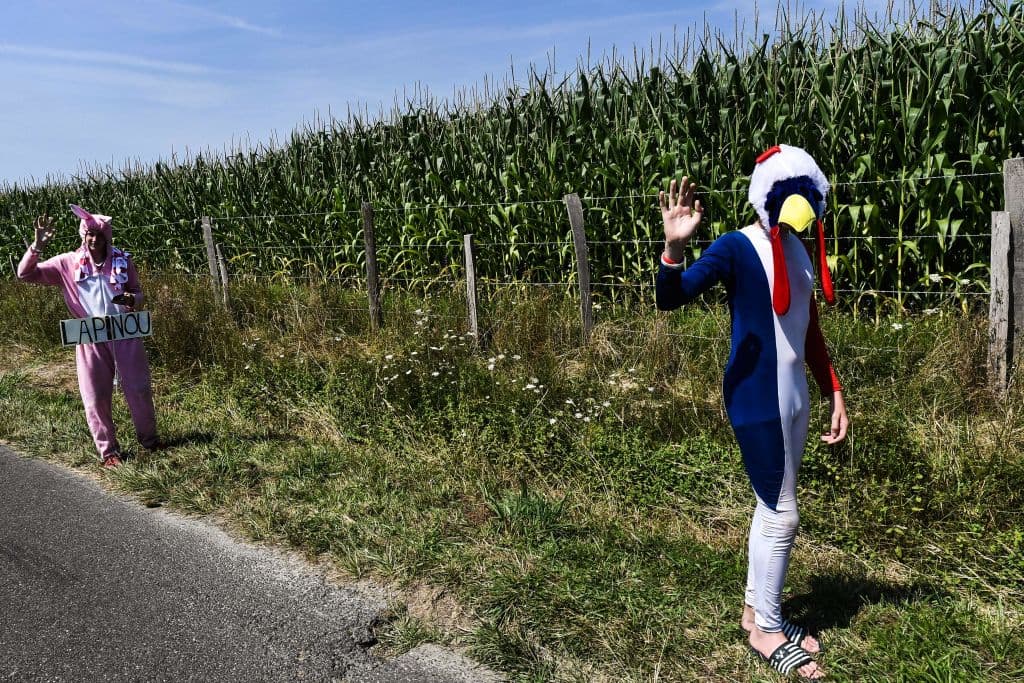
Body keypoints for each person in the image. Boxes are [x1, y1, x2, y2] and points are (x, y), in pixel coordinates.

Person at [655, 145, 849, 680]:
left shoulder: (797, 248)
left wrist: (833, 390)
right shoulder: (736, 246)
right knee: (783, 514)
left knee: (772, 507)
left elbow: (809, 329)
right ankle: (766, 630)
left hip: (795, 398)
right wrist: (674, 248)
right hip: (757, 398)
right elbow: (671, 297)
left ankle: (755, 611)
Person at [18, 204, 159, 468]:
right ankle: (109, 452)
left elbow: (137, 292)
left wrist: (133, 299)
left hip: (125, 333)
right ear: (83, 235)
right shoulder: (67, 263)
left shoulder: (123, 260)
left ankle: (150, 441)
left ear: (107, 236)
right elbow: (25, 274)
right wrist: (36, 247)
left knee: (139, 389)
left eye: (99, 234)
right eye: (90, 234)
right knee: (94, 396)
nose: (94, 239)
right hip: (90, 337)